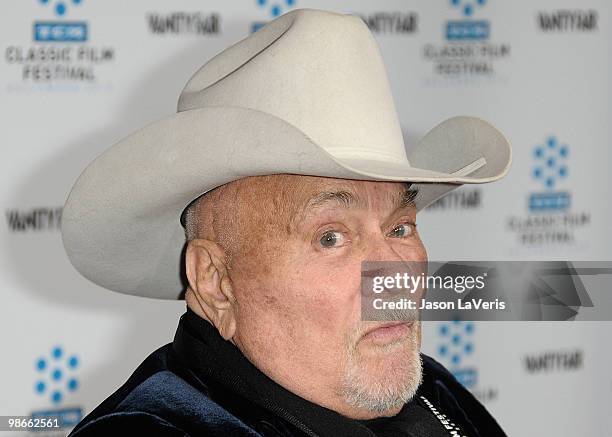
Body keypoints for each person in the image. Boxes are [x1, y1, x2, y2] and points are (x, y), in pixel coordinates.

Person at [61, 8, 511, 437]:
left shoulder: (435, 388)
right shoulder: (154, 429)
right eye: (331, 237)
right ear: (216, 281)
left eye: (400, 228)